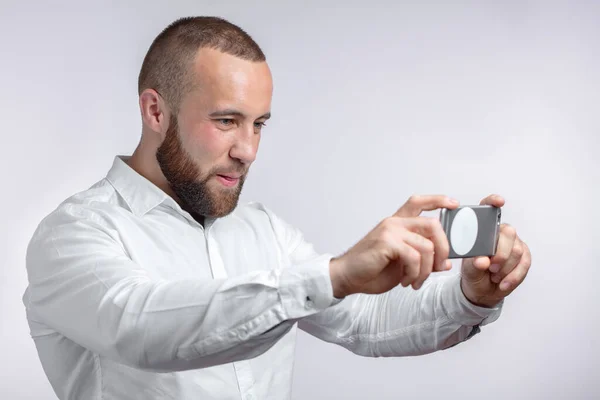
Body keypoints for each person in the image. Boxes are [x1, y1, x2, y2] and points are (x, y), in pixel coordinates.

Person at [23, 16, 532, 400]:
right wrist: (329, 277)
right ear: (156, 110)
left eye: (258, 124)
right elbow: (138, 328)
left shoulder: (263, 230)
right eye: (226, 121)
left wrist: (473, 297)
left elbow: (365, 322)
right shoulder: (74, 233)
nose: (248, 150)